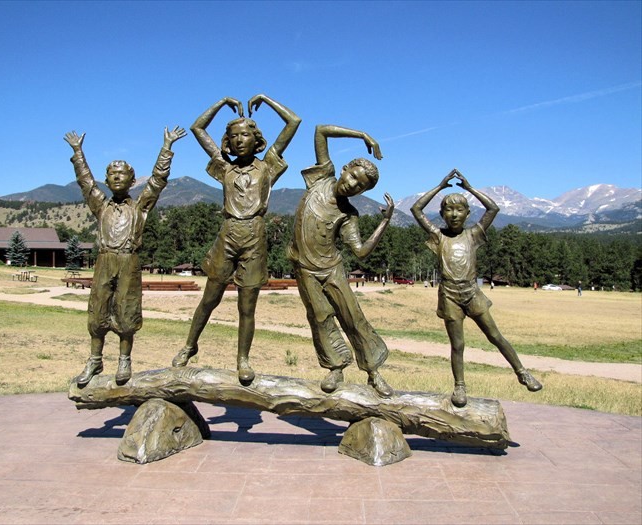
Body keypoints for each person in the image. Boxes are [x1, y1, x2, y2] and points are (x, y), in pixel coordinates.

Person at [172, 95, 300, 384]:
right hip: (227, 235)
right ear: (227, 142)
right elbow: (198, 129)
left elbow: (294, 122)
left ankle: (243, 359)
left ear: (256, 139)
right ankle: (189, 345)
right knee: (209, 299)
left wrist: (266, 100)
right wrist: (220, 103)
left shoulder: (267, 166)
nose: (240, 139)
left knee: (247, 306)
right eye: (233, 136)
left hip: (255, 237)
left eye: (245, 134)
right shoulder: (224, 168)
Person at [64, 126, 187, 387]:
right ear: (106, 182)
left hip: (128, 261)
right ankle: (95, 359)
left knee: (127, 311)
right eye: (111, 174)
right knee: (98, 311)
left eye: (122, 174)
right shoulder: (100, 204)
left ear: (132, 181)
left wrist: (167, 148)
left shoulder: (140, 206)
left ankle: (124, 359)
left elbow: (157, 181)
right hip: (105, 260)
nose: (117, 177)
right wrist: (78, 152)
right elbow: (85, 182)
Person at [410, 169, 542, 407]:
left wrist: (469, 189)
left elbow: (493, 209)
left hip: (472, 292)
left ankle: (522, 372)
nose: (454, 214)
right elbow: (416, 209)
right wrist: (440, 187)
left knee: (494, 335)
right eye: (448, 210)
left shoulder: (473, 235)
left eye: (460, 209)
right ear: (441, 214)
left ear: (468, 213)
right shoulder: (438, 237)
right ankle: (459, 387)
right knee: (457, 344)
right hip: (449, 295)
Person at [287, 124, 395, 397]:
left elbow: (360, 251)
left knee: (353, 317)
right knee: (320, 317)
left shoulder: (349, 214)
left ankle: (373, 372)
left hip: (331, 269)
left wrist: (384, 222)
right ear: (345, 168)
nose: (353, 184)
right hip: (305, 268)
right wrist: (362, 135)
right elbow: (320, 131)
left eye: (361, 186)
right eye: (354, 176)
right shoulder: (321, 177)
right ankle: (335, 368)